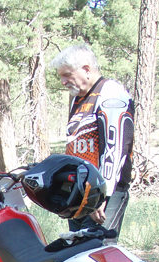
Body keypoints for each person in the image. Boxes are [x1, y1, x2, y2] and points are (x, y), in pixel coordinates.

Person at [51, 44, 135, 241]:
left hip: (103, 191)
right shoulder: (77, 99)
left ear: (86, 70)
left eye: (67, 75)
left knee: (98, 251)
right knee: (76, 251)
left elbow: (116, 148)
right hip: (79, 191)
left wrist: (102, 196)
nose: (63, 82)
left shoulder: (111, 93)